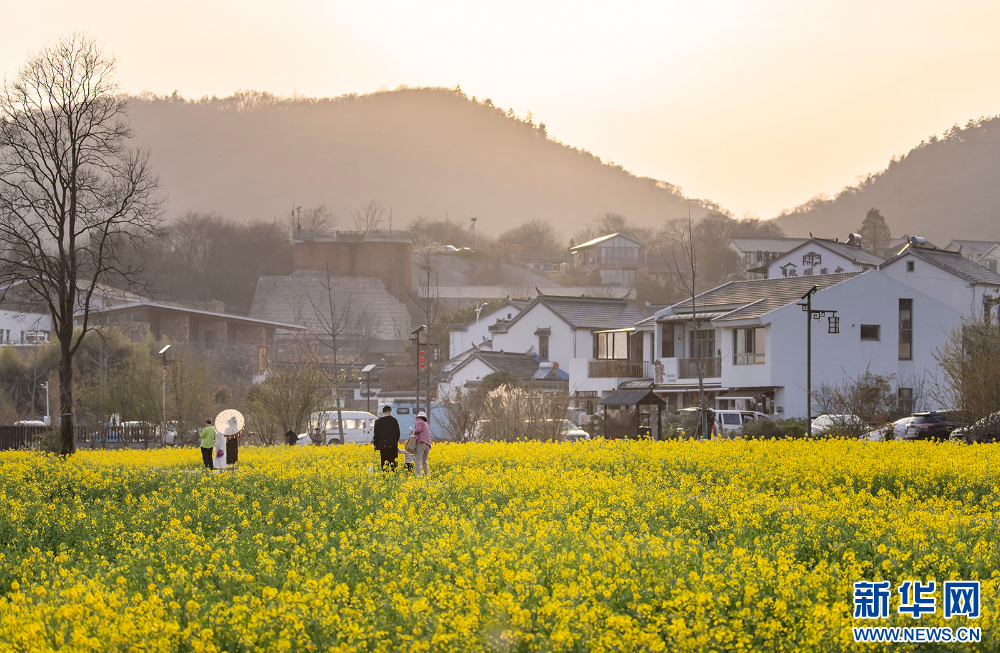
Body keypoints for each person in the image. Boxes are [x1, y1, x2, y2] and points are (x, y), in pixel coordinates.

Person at [372, 404, 400, 472]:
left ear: (382, 412)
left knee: (384, 463)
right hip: (393, 445)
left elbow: (376, 435)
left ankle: (385, 478)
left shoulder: (378, 422)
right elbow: (398, 433)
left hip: (383, 446)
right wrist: (395, 441)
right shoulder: (394, 421)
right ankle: (394, 477)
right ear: (390, 412)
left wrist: (375, 445)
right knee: (393, 463)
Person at [413, 410, 432, 477]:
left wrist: (413, 431)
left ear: (419, 417)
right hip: (428, 444)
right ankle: (427, 476)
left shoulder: (419, 422)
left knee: (417, 461)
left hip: (421, 443)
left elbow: (418, 430)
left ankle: (419, 477)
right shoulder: (426, 424)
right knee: (424, 462)